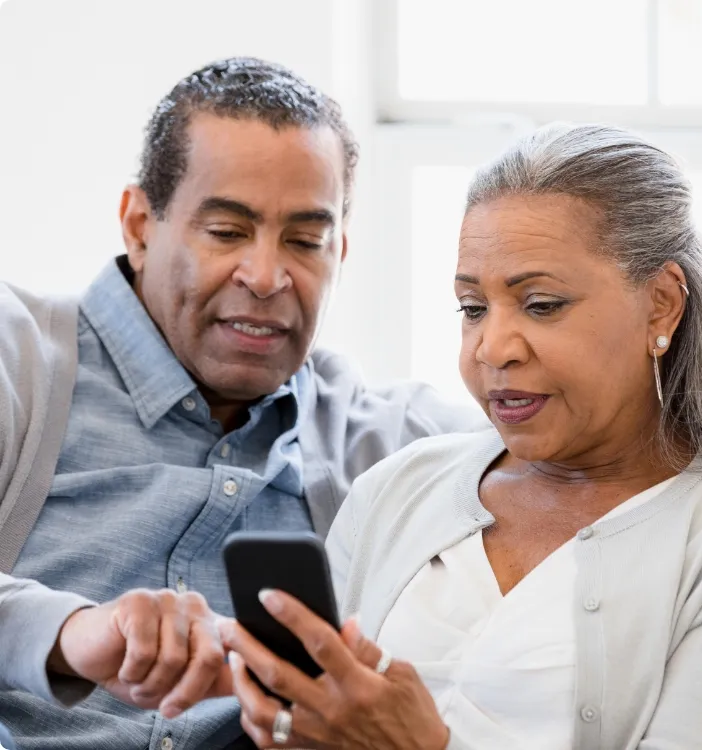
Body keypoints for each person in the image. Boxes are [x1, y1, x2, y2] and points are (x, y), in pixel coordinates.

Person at [0, 57, 484, 748]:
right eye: (227, 232)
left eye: (305, 241)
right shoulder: (17, 358)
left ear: (340, 252)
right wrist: (69, 632)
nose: (265, 276)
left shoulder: (392, 441)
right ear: (139, 225)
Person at [221, 124, 702, 750]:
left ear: (662, 303)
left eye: (541, 304)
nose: (492, 348)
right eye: (472, 308)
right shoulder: (397, 489)